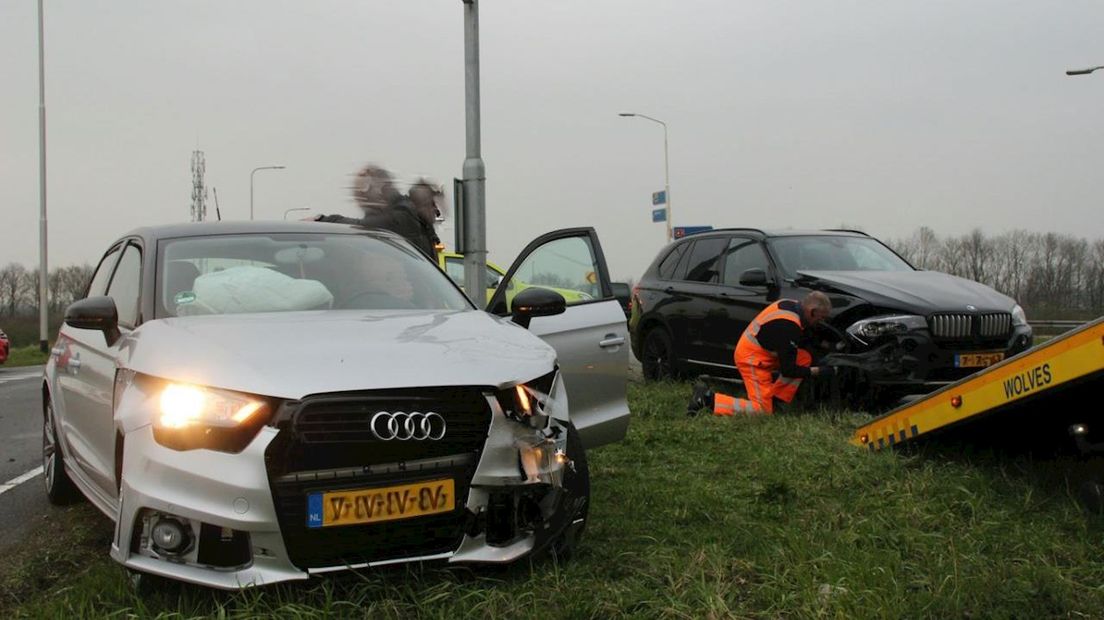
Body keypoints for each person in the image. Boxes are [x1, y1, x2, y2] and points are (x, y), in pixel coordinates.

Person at [688, 291, 837, 416]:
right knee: (762, 410)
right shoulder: (788, 326)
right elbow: (789, 370)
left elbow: (803, 341)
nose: (822, 321)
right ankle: (707, 400)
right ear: (812, 312)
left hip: (763, 353)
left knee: (804, 357)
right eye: (821, 317)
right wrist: (819, 371)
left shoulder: (793, 306)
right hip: (751, 359)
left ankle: (776, 400)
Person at [313, 165, 439, 260]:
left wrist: (322, 221)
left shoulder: (403, 217)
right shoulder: (408, 216)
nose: (360, 200)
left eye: (361, 192)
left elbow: (360, 227)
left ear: (380, 190)